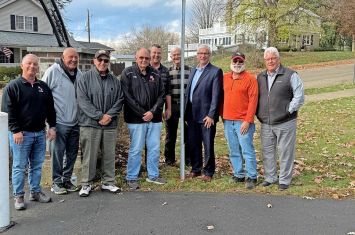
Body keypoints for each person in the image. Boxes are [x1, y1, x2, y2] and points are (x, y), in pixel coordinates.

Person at [1, 54, 56, 210]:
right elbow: (7, 111)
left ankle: (35, 192)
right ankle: (18, 196)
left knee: (37, 165)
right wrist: (16, 130)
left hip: (39, 134)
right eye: (29, 63)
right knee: (19, 166)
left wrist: (52, 127)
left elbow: (50, 109)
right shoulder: (13, 87)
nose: (32, 66)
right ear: (22, 66)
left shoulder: (43, 87)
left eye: (35, 64)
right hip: (21, 135)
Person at [76, 50, 124, 197]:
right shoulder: (84, 79)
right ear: (94, 61)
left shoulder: (115, 80)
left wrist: (109, 115)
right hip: (90, 124)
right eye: (100, 60)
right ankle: (86, 184)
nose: (103, 63)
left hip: (110, 124)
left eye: (105, 60)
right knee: (89, 155)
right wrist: (99, 116)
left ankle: (108, 182)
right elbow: (83, 101)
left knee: (109, 154)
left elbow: (120, 99)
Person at [256, 47, 305, 190]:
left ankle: (284, 179)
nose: (271, 61)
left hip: (285, 121)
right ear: (264, 61)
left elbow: (299, 96)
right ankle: (270, 177)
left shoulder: (290, 75)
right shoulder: (260, 77)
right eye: (268, 59)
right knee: (268, 152)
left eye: (273, 58)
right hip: (266, 122)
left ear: (279, 59)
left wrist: (288, 110)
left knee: (285, 151)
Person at [121, 48, 166, 190]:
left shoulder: (156, 74)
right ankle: (131, 177)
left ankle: (153, 175)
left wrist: (152, 112)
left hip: (155, 119)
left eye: (146, 58)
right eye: (141, 58)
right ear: (136, 57)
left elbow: (161, 95)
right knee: (136, 148)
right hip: (136, 119)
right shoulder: (127, 73)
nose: (144, 60)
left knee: (154, 148)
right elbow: (127, 97)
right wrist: (142, 113)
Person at [42, 47, 81, 195]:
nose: (73, 60)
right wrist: (49, 122)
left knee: (72, 154)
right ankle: (56, 182)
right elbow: (43, 94)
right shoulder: (53, 71)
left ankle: (67, 180)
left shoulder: (79, 74)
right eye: (70, 57)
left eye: (76, 57)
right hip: (58, 123)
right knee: (57, 154)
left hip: (75, 122)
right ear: (63, 58)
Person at [185, 44, 223, 182]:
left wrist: (211, 114)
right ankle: (196, 169)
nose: (203, 56)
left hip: (206, 116)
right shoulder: (193, 71)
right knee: (194, 143)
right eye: (200, 53)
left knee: (207, 144)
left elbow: (216, 95)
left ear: (209, 55)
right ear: (197, 55)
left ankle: (208, 171)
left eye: (206, 53)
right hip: (192, 115)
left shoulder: (215, 71)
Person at [222, 52, 258, 189]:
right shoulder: (225, 78)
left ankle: (252, 176)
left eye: (240, 62)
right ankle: (239, 174)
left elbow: (253, 101)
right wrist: (222, 116)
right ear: (231, 62)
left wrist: (247, 121)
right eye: (235, 61)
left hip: (243, 122)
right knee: (233, 150)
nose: (237, 64)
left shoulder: (250, 79)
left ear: (244, 63)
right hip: (228, 120)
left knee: (247, 150)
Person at [164, 46, 191, 166]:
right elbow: (166, 91)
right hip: (173, 105)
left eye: (178, 54)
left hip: (186, 106)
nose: (176, 57)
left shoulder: (190, 70)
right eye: (174, 55)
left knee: (187, 134)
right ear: (171, 57)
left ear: (182, 55)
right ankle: (169, 159)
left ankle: (188, 159)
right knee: (171, 134)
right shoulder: (168, 72)